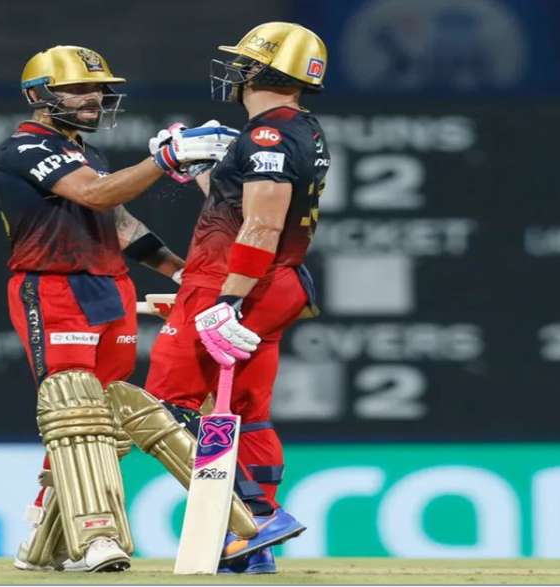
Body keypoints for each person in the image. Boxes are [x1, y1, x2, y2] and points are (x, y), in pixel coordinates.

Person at [0, 45, 235, 572]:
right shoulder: (26, 147)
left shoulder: (88, 154)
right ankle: (95, 536)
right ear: (40, 95)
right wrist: (164, 161)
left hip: (110, 288)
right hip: (54, 287)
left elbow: (121, 225)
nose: (94, 98)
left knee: (104, 418)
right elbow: (97, 196)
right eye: (78, 89)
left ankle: (45, 537)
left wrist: (183, 275)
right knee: (74, 410)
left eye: (99, 89)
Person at [145, 22, 331, 574]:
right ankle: (254, 539)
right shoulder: (301, 128)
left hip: (234, 281)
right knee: (247, 413)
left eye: (244, 62)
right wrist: (204, 169)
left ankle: (250, 521)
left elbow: (262, 225)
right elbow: (240, 206)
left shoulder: (266, 136)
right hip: (276, 282)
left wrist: (227, 300)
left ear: (263, 70)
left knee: (159, 409)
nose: (236, 71)